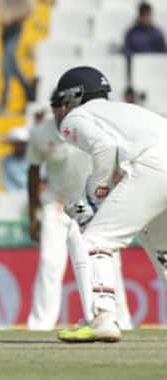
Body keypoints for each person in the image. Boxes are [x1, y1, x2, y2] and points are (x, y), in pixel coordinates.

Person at [51, 66, 167, 343]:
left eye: (62, 103)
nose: (60, 111)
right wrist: (91, 197)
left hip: (154, 168)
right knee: (162, 248)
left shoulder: (77, 117)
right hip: (158, 164)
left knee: (95, 241)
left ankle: (102, 316)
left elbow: (104, 148)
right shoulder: (125, 111)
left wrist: (94, 194)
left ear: (75, 96)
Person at [26, 112, 131, 331]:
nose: (62, 111)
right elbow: (33, 172)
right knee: (49, 263)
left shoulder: (95, 126)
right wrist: (32, 214)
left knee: (109, 263)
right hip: (57, 205)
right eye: (57, 106)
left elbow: (118, 166)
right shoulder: (40, 133)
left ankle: (120, 321)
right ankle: (40, 325)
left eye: (67, 106)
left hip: (92, 205)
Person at [0, 126, 29, 191]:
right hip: (13, 196)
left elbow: (42, 179)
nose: (19, 147)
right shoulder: (7, 161)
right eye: (17, 144)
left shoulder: (34, 159)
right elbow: (6, 181)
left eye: (22, 144)